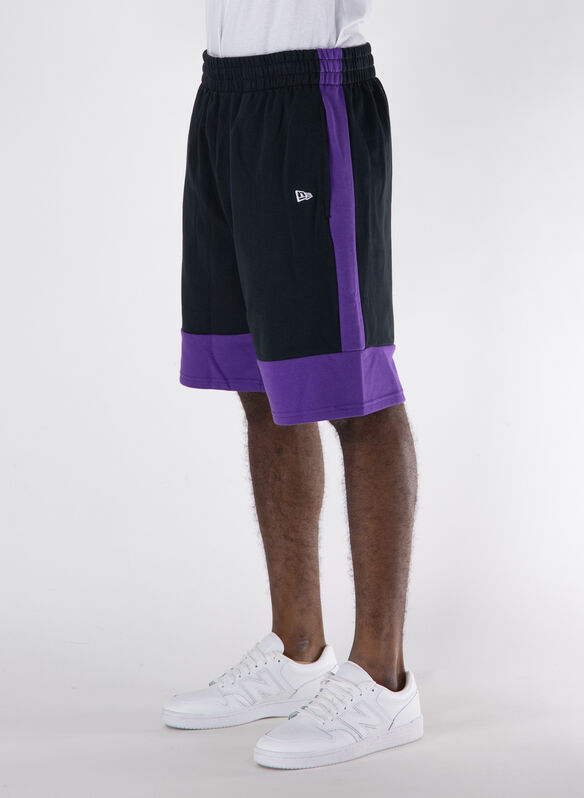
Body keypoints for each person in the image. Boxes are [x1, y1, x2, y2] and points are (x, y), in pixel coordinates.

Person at [163, 0, 423, 769]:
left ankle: (383, 678)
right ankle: (296, 649)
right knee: (262, 381)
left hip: (313, 87)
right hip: (223, 95)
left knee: (354, 387)